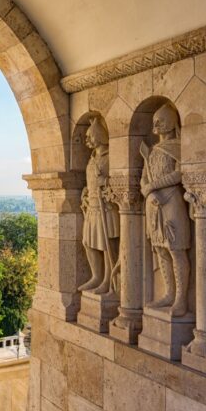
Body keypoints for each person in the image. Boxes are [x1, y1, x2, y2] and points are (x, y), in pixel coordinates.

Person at [141, 104, 191, 316]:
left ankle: (181, 299)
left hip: (171, 201)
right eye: (155, 120)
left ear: (172, 122)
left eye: (161, 120)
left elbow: (179, 174)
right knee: (160, 249)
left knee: (175, 248)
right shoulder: (151, 151)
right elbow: (143, 179)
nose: (156, 124)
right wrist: (148, 193)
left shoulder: (178, 146)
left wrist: (152, 187)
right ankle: (169, 293)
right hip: (153, 204)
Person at [78, 118, 119, 294]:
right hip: (92, 207)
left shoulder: (110, 157)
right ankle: (96, 276)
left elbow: (122, 181)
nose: (86, 139)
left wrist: (106, 181)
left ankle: (107, 280)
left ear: (99, 136)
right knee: (88, 243)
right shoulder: (92, 159)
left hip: (106, 208)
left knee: (106, 245)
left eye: (90, 136)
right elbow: (91, 182)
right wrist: (86, 193)